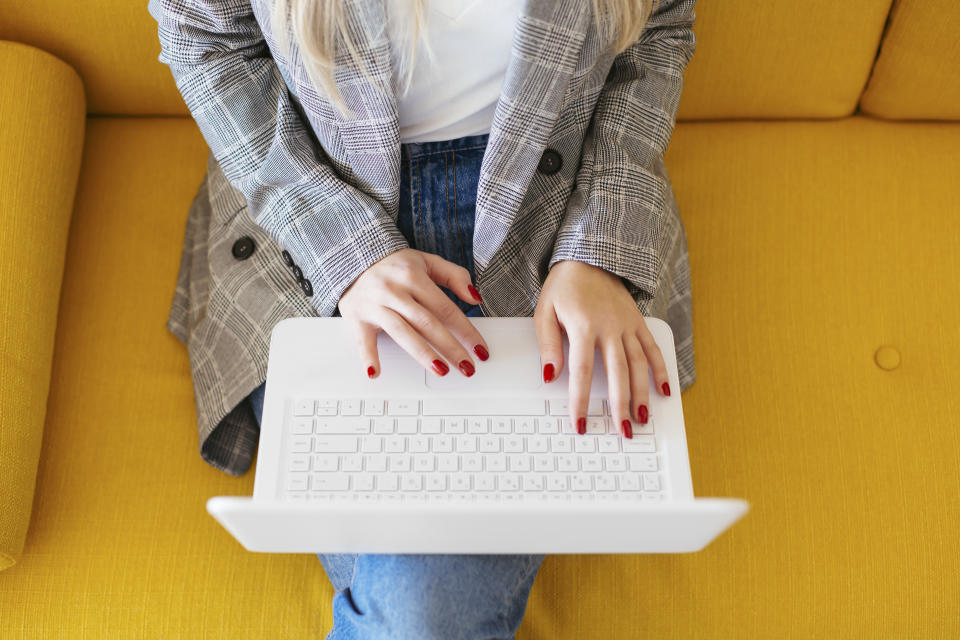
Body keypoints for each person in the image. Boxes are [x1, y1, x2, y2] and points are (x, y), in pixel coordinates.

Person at [150, 0, 697, 637]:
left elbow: (658, 26)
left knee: (419, 612)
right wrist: (343, 249)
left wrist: (597, 247)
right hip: (317, 194)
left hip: (557, 215)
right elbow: (203, 37)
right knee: (420, 613)